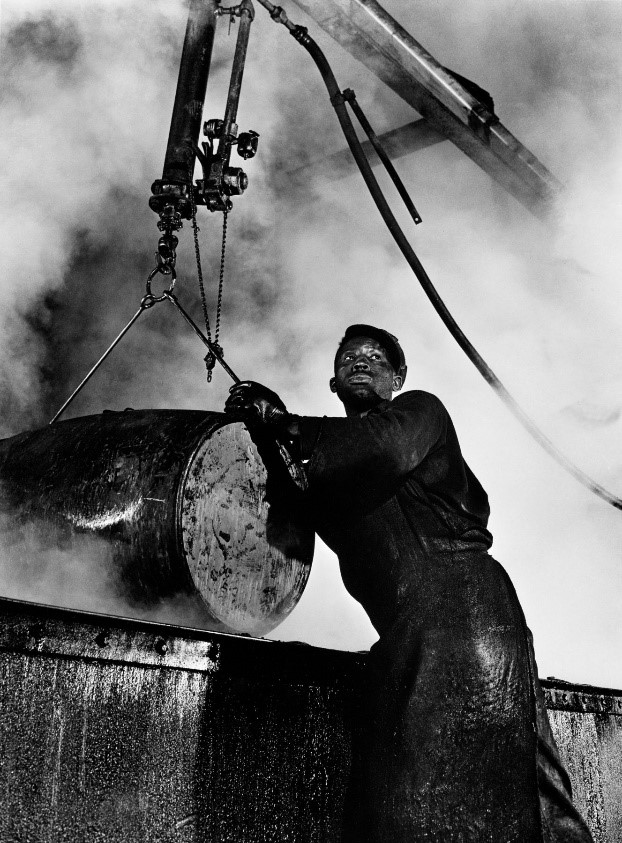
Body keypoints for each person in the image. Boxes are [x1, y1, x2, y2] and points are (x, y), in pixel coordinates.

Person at [224, 324, 593, 843]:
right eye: (349, 358)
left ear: (398, 379)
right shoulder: (329, 462)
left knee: (438, 798)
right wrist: (266, 431)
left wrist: (288, 425)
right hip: (406, 631)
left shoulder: (419, 413)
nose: (361, 362)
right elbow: (288, 503)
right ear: (333, 383)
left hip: (464, 614)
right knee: (521, 790)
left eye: (376, 358)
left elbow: (381, 450)